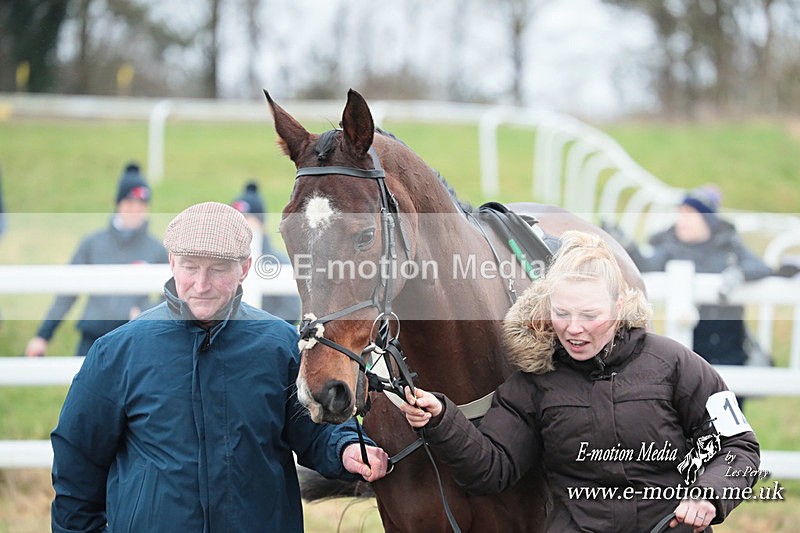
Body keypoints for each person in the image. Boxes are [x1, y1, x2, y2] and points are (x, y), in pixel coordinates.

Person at [50, 201, 389, 532]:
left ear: (244, 267)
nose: (201, 284)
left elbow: (316, 431)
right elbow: (78, 461)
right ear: (171, 262)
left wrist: (345, 448)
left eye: (217, 269)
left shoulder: (279, 345)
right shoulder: (118, 352)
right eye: (190, 267)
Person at [400, 230, 760, 532]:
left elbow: (739, 445)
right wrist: (441, 419)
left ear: (619, 308)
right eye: (562, 313)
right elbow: (492, 470)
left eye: (590, 315)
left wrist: (709, 495)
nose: (574, 328)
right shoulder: (535, 383)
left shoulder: (675, 364)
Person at [612, 185, 773, 407]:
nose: (682, 220)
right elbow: (647, 266)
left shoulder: (728, 245)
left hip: (730, 349)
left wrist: (739, 273)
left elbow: (760, 266)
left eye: (690, 214)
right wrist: (626, 245)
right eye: (680, 213)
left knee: (732, 419)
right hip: (691, 348)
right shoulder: (671, 246)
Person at [24, 162, 168, 357]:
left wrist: (145, 310)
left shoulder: (156, 250)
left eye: (142, 204)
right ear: (118, 203)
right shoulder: (92, 243)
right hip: (91, 339)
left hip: (132, 340)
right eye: (130, 202)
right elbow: (67, 293)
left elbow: (171, 296)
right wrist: (43, 336)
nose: (136, 210)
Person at [230, 180, 301, 324]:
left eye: (246, 219)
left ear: (260, 223)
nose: (239, 226)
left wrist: (261, 329)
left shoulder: (279, 264)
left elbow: (291, 310)